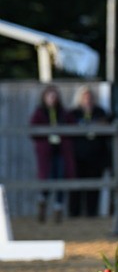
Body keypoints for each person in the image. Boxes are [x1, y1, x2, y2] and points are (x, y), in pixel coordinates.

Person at [29, 84, 76, 223]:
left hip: (61, 151)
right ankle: (42, 202)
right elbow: (33, 131)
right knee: (47, 178)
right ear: (44, 98)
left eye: (54, 96)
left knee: (60, 177)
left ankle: (58, 208)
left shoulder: (63, 112)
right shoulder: (39, 113)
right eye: (50, 96)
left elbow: (72, 127)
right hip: (46, 153)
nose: (52, 99)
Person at [69, 86, 112, 217]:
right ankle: (74, 215)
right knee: (75, 188)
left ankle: (91, 215)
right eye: (85, 97)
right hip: (77, 156)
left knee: (93, 189)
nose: (88, 100)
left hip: (96, 157)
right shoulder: (73, 114)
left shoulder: (100, 113)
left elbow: (108, 131)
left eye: (90, 97)